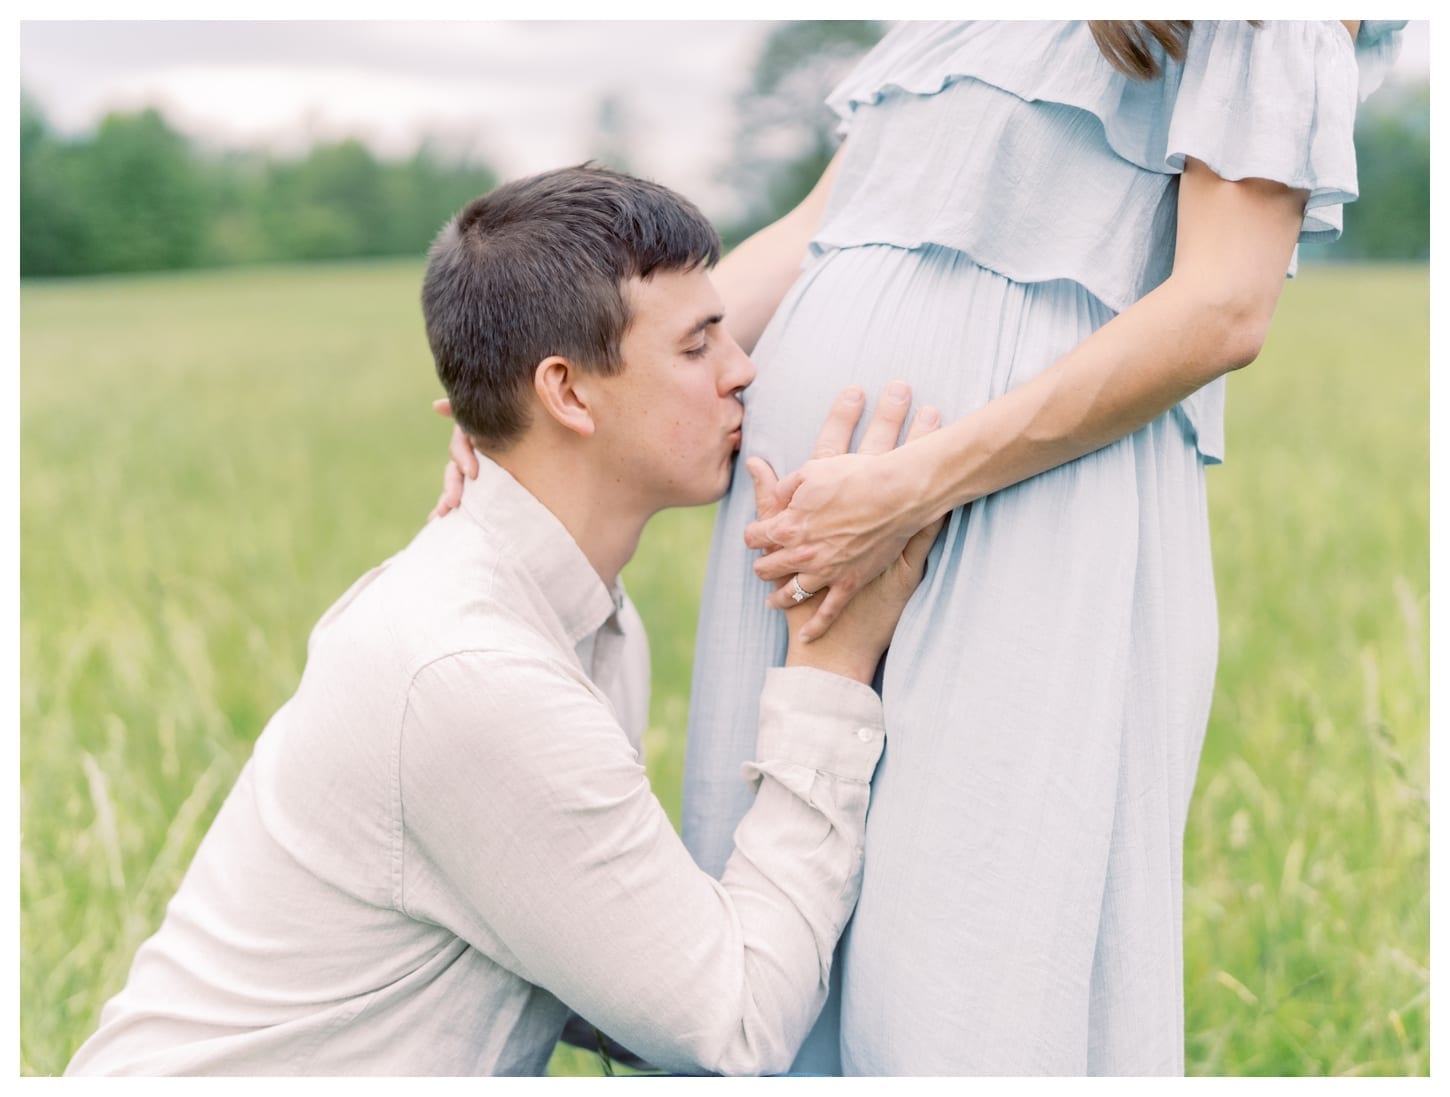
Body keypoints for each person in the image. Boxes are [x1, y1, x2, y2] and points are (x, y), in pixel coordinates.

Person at [434, 17, 1409, 1076]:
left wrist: (909, 485)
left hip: (1010, 514)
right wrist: (528, 400)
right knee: (783, 922)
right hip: (818, 525)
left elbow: (1222, 306)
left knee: (963, 948)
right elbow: (825, 227)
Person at [64, 165, 943, 1077]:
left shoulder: (579, 619)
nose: (743, 369)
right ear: (565, 393)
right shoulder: (470, 668)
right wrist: (830, 670)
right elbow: (735, 1027)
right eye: (697, 346)